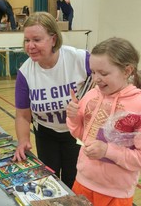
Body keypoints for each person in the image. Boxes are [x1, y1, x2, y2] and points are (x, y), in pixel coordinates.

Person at [12, 12, 91, 189]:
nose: (30, 46)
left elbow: (108, 74)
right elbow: (23, 115)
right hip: (46, 134)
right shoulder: (25, 72)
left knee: (74, 182)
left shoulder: (79, 58)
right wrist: (23, 140)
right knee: (50, 182)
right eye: (26, 40)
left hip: (77, 135)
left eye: (37, 40)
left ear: (53, 39)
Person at [66, 37, 141, 206]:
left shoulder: (138, 105)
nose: (96, 79)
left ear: (127, 71)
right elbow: (81, 136)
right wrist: (73, 118)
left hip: (116, 193)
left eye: (104, 73)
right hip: (82, 181)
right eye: (93, 72)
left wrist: (107, 151)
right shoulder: (92, 95)